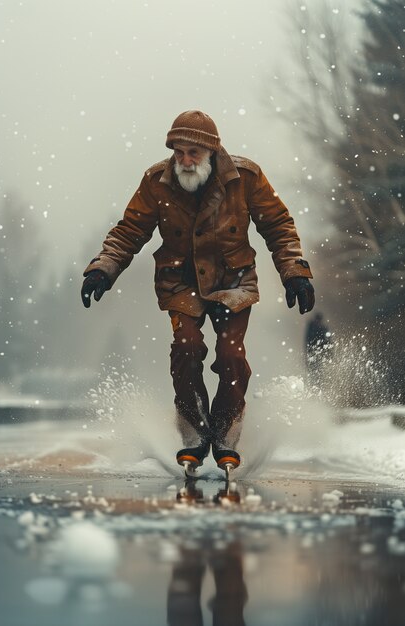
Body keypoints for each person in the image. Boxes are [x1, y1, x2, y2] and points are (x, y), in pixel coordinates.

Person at [81, 110, 315, 475]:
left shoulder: (245, 177)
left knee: (231, 355)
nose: (185, 161)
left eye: (193, 153)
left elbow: (279, 226)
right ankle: (193, 430)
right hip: (180, 281)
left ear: (212, 151)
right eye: (179, 152)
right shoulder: (156, 181)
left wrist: (294, 272)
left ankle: (225, 433)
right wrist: (103, 268)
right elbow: (130, 230)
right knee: (187, 348)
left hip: (233, 280)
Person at [305, 312, 332, 390]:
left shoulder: (320, 328)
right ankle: (315, 387)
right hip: (314, 353)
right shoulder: (313, 328)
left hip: (318, 353)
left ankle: (317, 387)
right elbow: (308, 341)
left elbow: (328, 341)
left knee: (318, 371)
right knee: (314, 371)